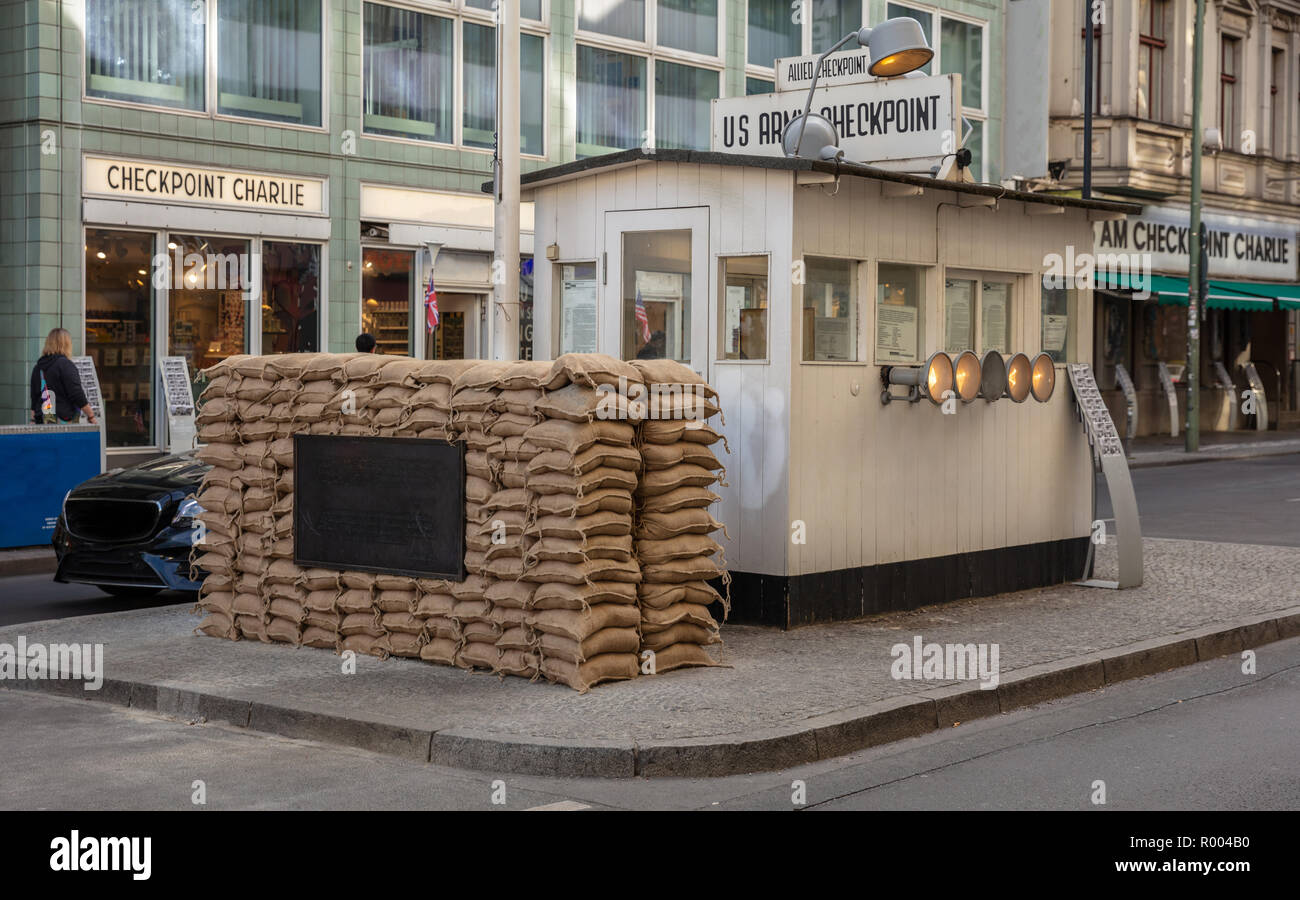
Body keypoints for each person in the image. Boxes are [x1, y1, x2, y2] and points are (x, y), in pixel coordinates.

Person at [30, 328, 96, 425]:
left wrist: (32, 420)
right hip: (63, 419)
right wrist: (91, 416)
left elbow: (34, 397)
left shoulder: (38, 367)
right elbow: (76, 393)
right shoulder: (65, 365)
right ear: (66, 344)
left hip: (42, 420)